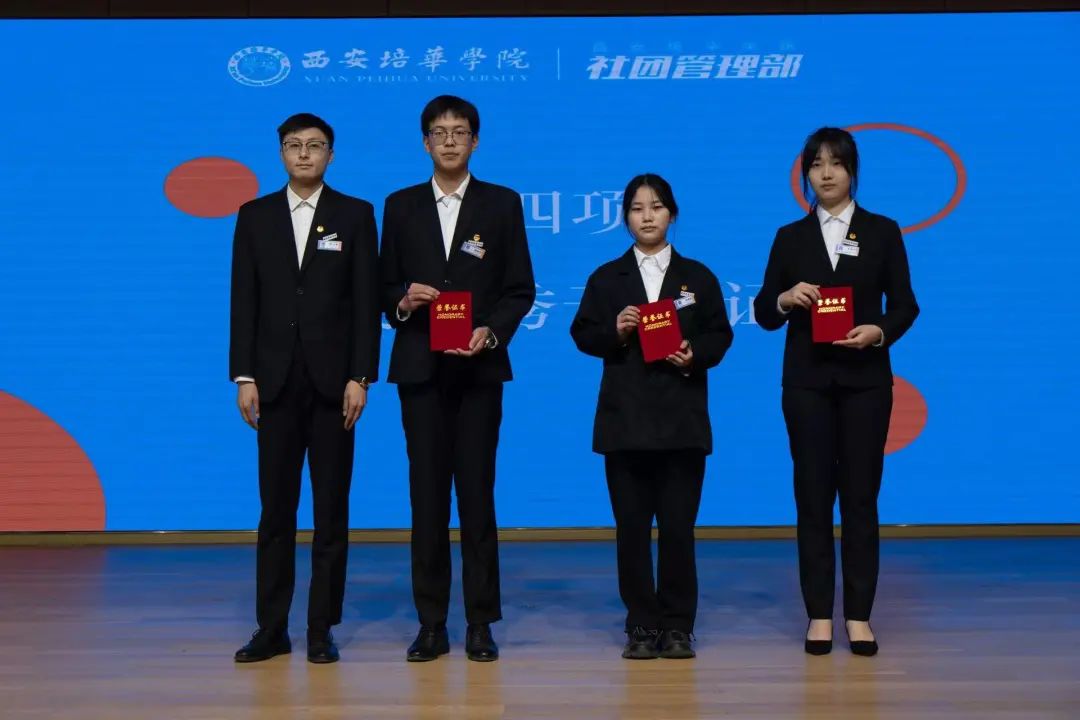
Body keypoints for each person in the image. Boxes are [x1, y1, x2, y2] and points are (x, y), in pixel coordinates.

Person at [379, 95, 535, 663]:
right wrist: (403, 301)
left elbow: (520, 288)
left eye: (460, 131)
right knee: (425, 500)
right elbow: (382, 286)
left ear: (475, 141)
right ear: (425, 142)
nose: (449, 141)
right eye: (439, 132)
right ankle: (430, 623)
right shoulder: (400, 205)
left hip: (478, 369)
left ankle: (480, 621)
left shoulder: (502, 203)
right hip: (420, 370)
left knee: (476, 496)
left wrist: (491, 332)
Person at [753, 127, 919, 656]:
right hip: (806, 384)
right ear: (805, 173)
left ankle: (860, 615)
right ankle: (820, 614)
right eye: (816, 164)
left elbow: (906, 305)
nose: (826, 174)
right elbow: (763, 312)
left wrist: (879, 331)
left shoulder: (882, 231)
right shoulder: (789, 237)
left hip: (865, 382)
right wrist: (784, 298)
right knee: (812, 497)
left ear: (853, 171)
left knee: (861, 497)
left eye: (836, 163)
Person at [229, 113, 381, 664]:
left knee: (331, 511)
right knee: (276, 512)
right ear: (280, 153)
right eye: (294, 145)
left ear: (331, 155)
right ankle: (272, 627)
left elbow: (366, 302)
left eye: (315, 146)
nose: (303, 154)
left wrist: (361, 376)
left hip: (334, 385)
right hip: (273, 384)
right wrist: (245, 376)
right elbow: (243, 299)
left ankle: (321, 627)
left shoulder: (356, 214)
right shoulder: (254, 215)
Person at [570, 173, 733, 660]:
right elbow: (582, 334)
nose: (647, 216)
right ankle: (641, 624)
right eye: (637, 208)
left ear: (672, 214)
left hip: (682, 421)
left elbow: (720, 335)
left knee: (679, 529)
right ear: (625, 218)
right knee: (633, 530)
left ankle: (678, 624)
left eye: (657, 206)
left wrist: (694, 353)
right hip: (625, 423)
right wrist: (616, 331)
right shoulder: (607, 278)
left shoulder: (697, 277)